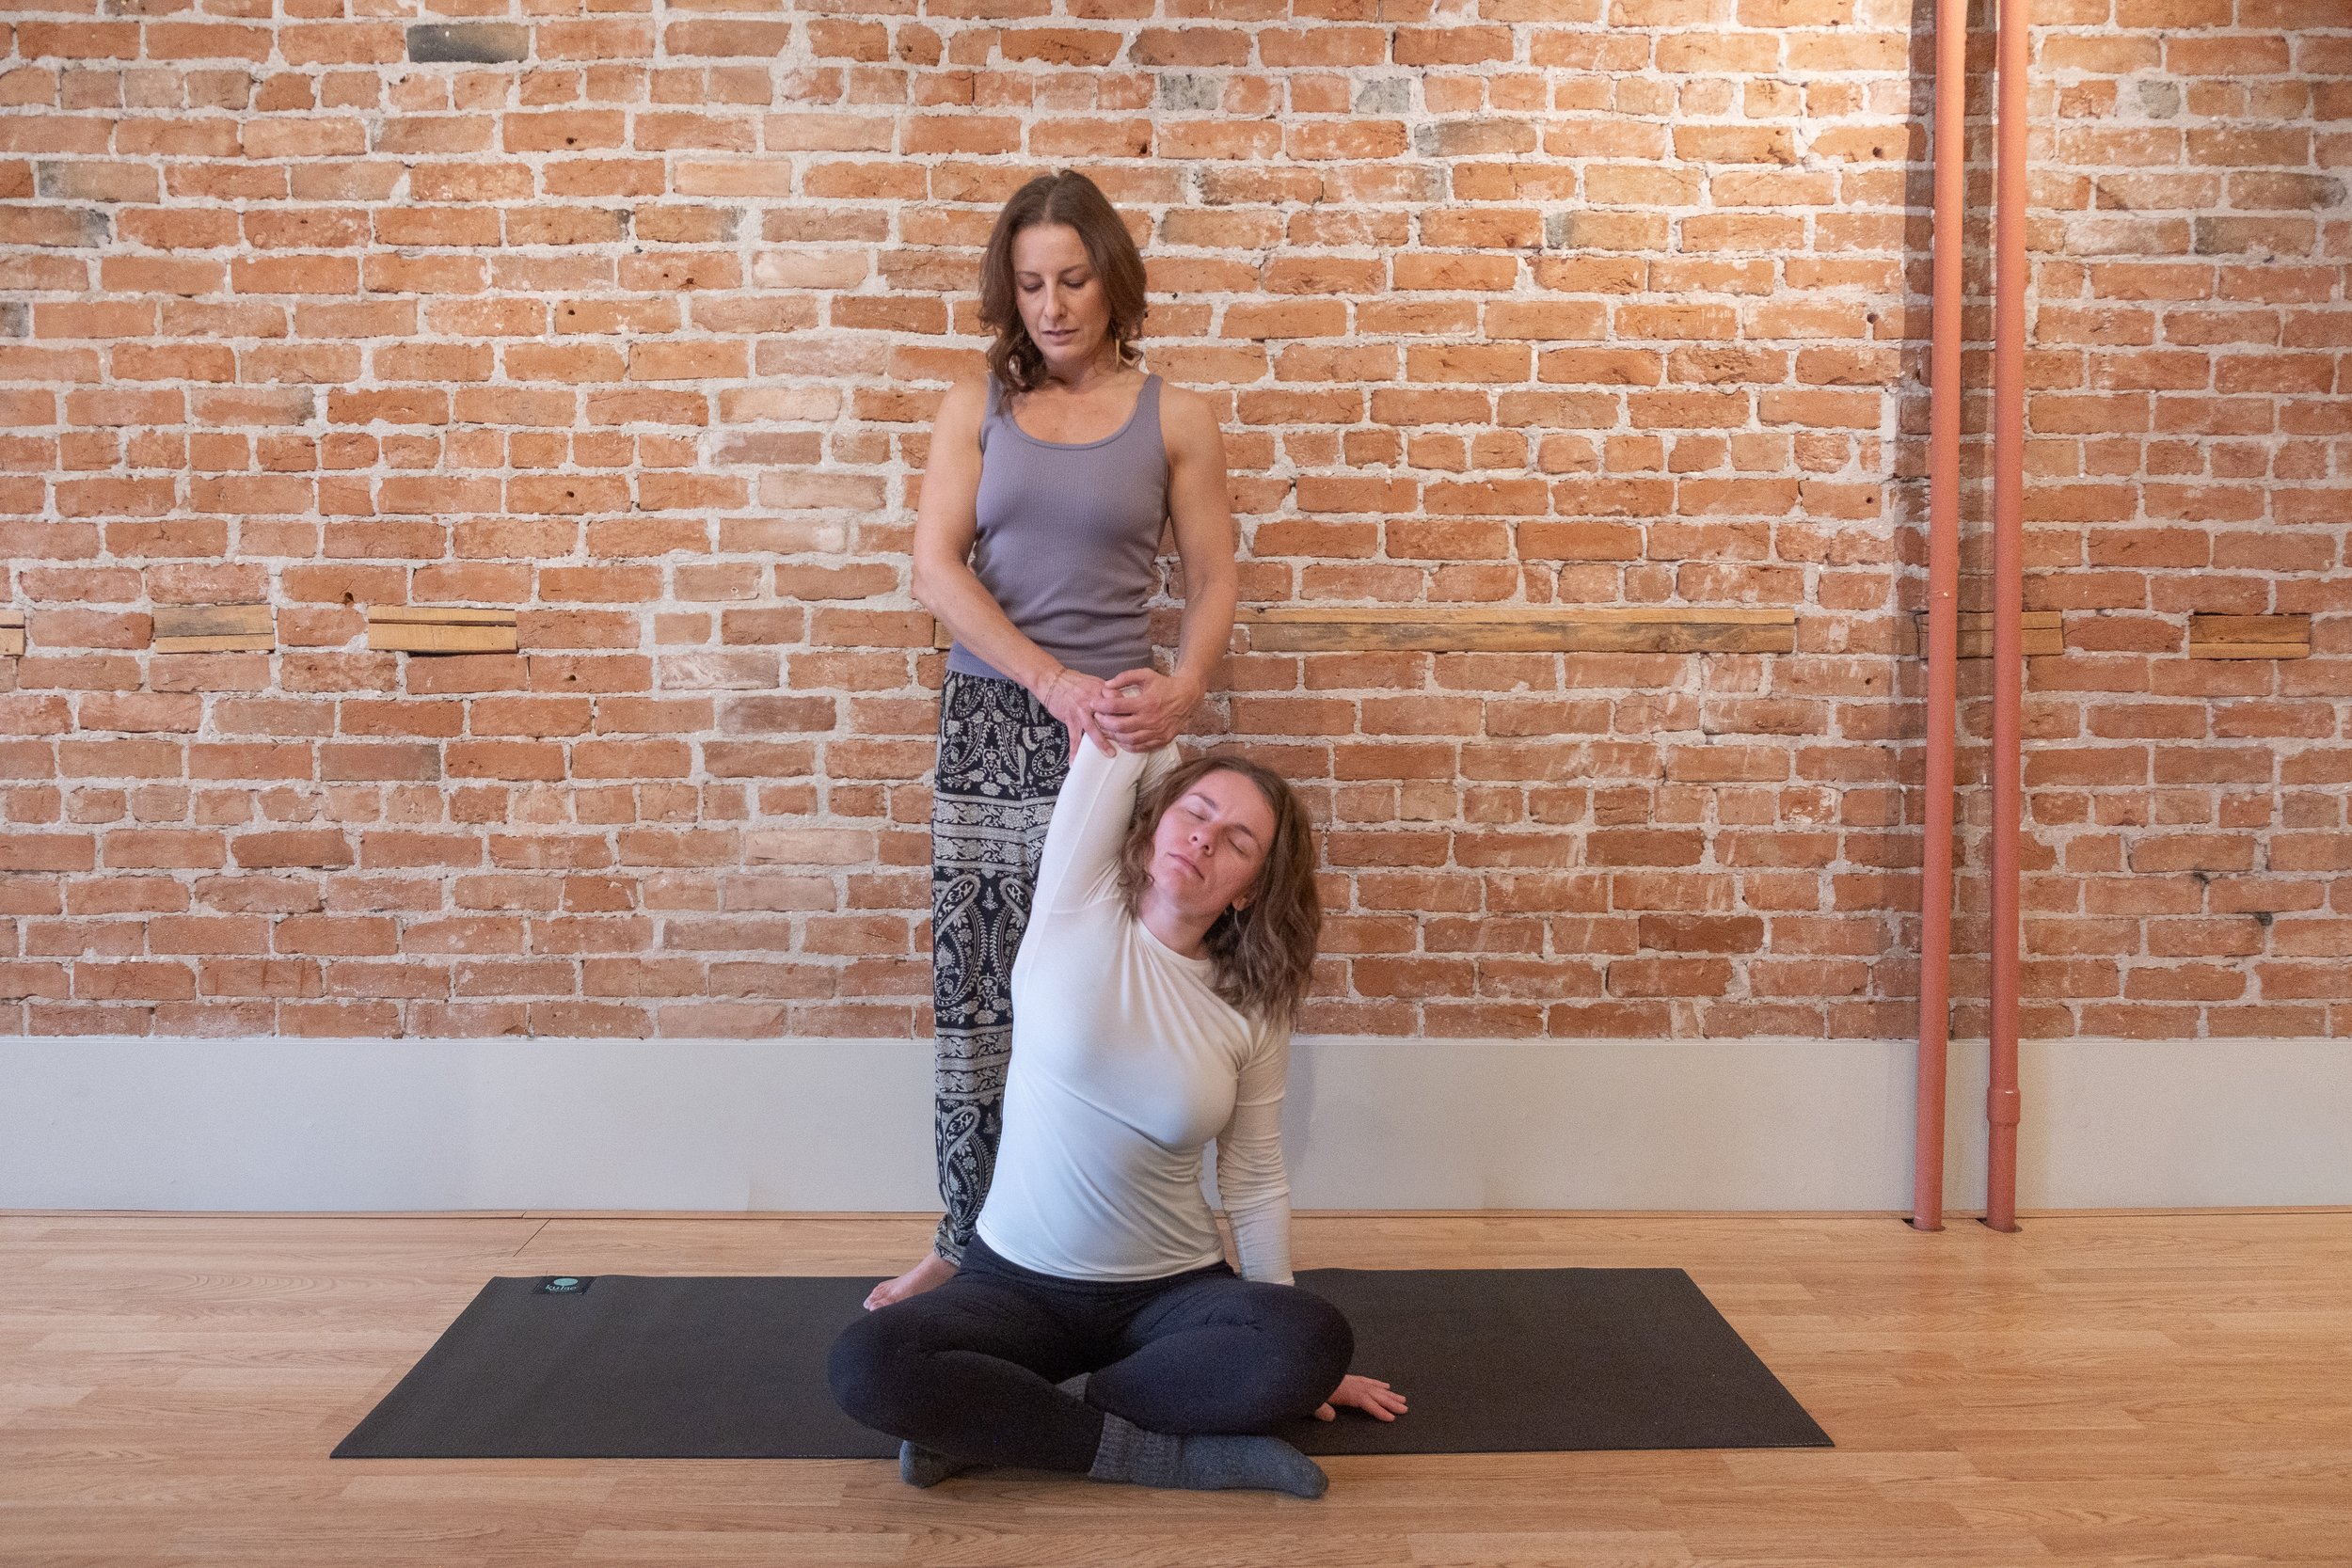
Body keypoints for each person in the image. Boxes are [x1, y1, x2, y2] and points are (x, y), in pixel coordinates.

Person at [830, 737, 1406, 1497]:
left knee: (1313, 1338)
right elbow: (1120, 740)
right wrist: (1164, 716)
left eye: (1238, 840)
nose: (1204, 835)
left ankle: (1004, 1422)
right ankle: (1155, 1454)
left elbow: (1254, 1170)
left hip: (1169, 1294)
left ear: (1249, 890)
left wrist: (1286, 1349)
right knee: (866, 1363)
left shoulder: (1252, 1004)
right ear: (1155, 822)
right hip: (1016, 1287)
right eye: (1196, 811)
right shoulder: (1075, 904)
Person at [869, 168, 1242, 1312]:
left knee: (1125, 989)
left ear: (1111, 280)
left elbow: (1217, 576)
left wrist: (1181, 688)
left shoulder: (1172, 414)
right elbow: (937, 566)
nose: (1051, 304)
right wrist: (1046, 680)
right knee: (981, 986)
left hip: (1119, 735)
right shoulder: (972, 403)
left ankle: (1148, 1238)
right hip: (994, 723)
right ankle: (964, 1234)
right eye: (1029, 283)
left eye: (1072, 278)